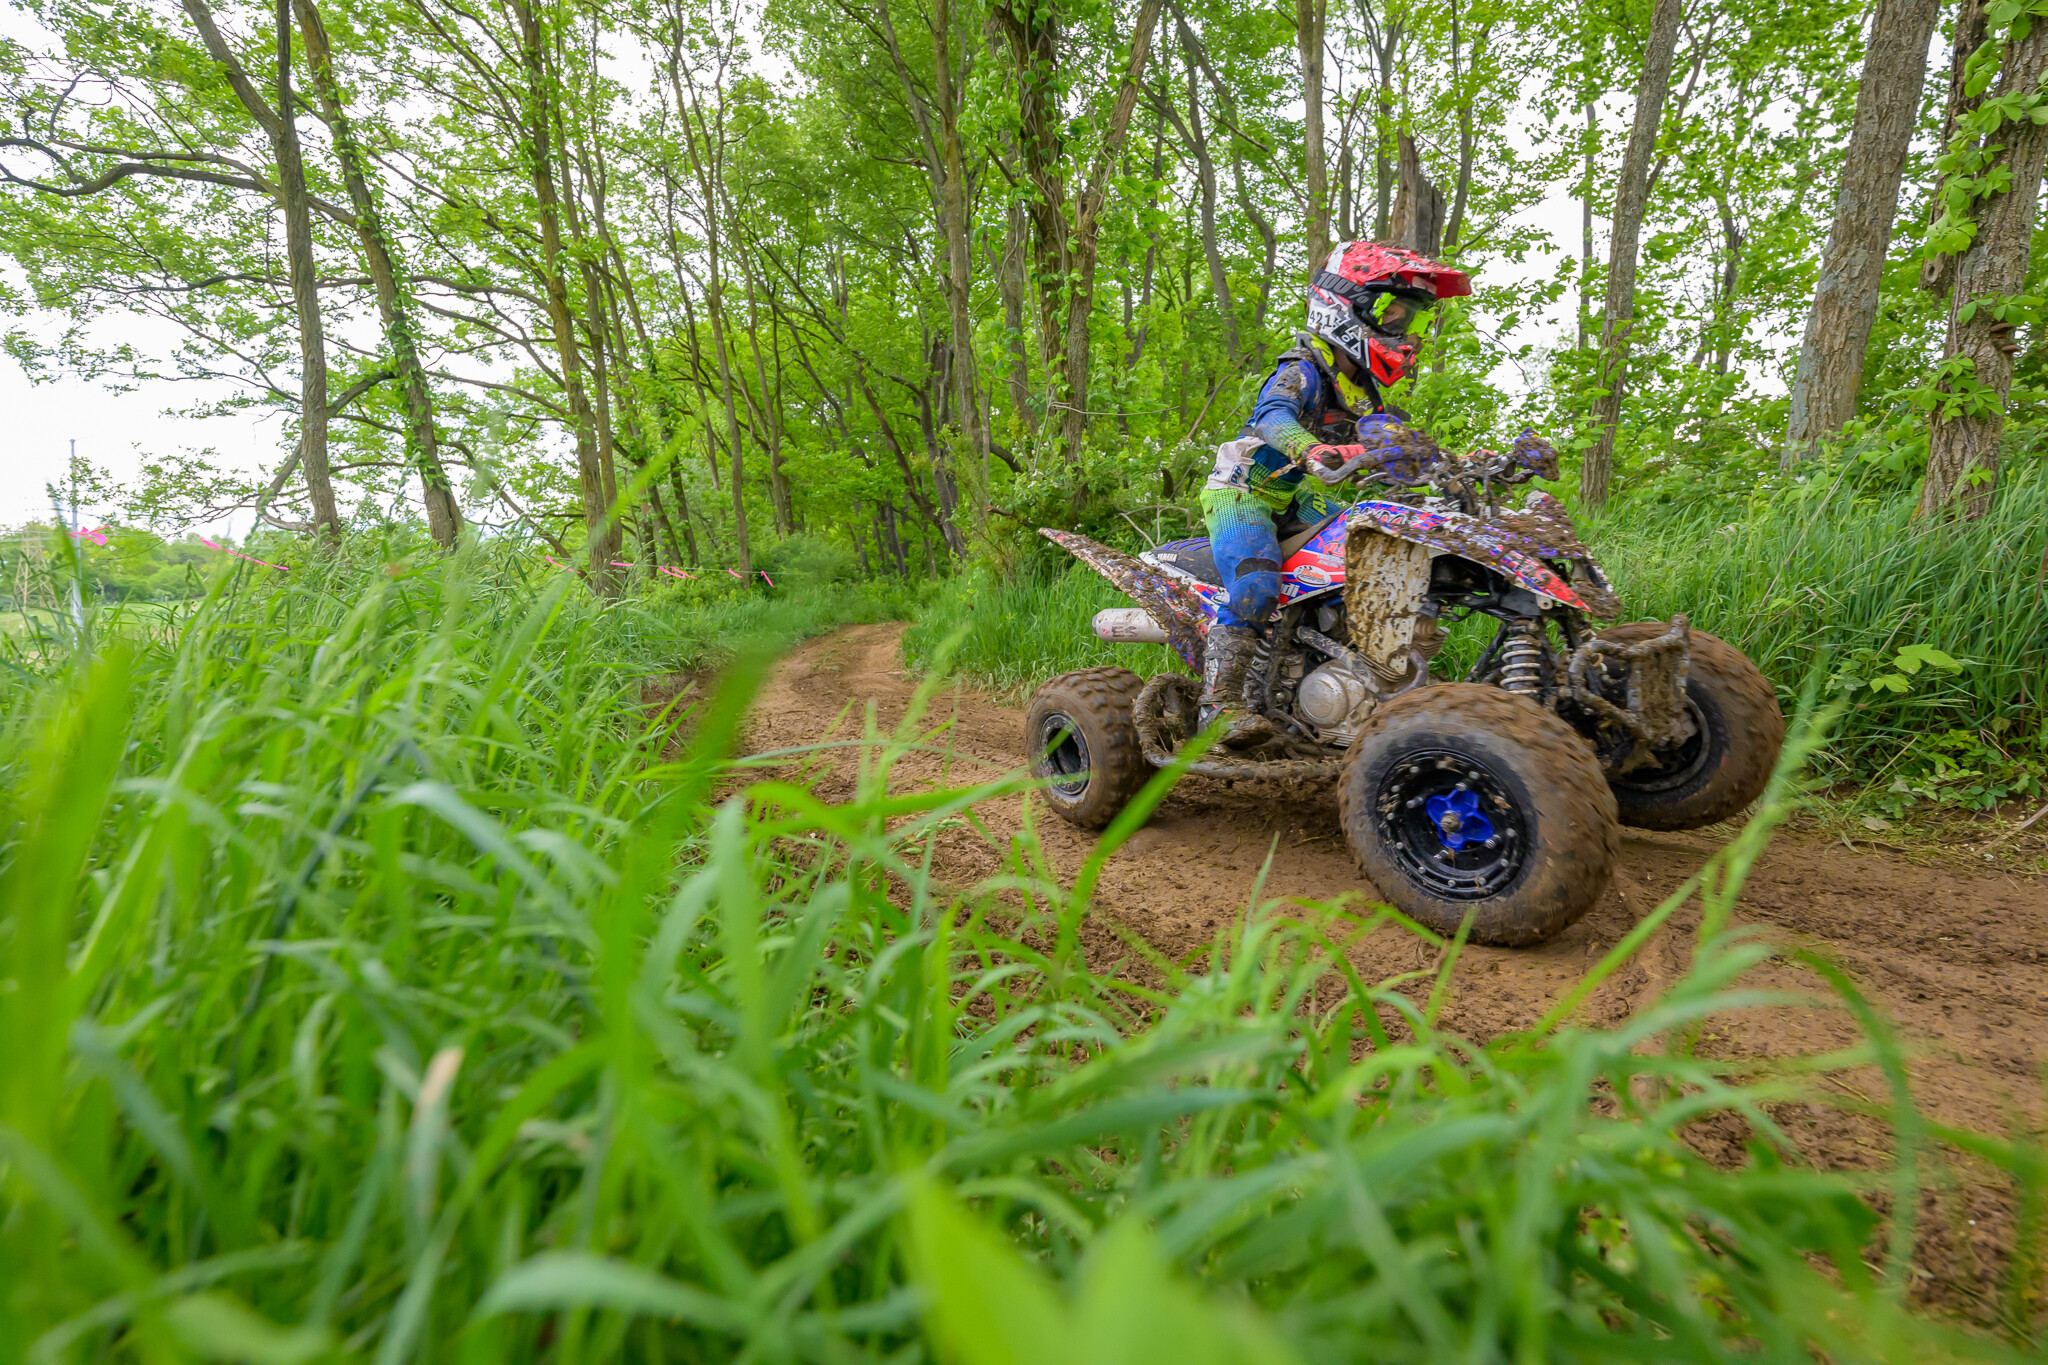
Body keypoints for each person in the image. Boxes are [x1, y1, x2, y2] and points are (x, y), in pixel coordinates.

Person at [1197, 240, 1467, 736]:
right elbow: (1271, 415)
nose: (1405, 332)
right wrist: (1310, 449)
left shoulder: (1366, 394)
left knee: (1362, 571)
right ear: (1346, 308)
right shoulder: (1302, 371)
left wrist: (1460, 466)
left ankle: (1352, 685)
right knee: (1257, 585)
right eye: (1396, 314)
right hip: (1243, 492)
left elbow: (1401, 445)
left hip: (1299, 495)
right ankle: (1220, 706)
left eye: (1414, 321)